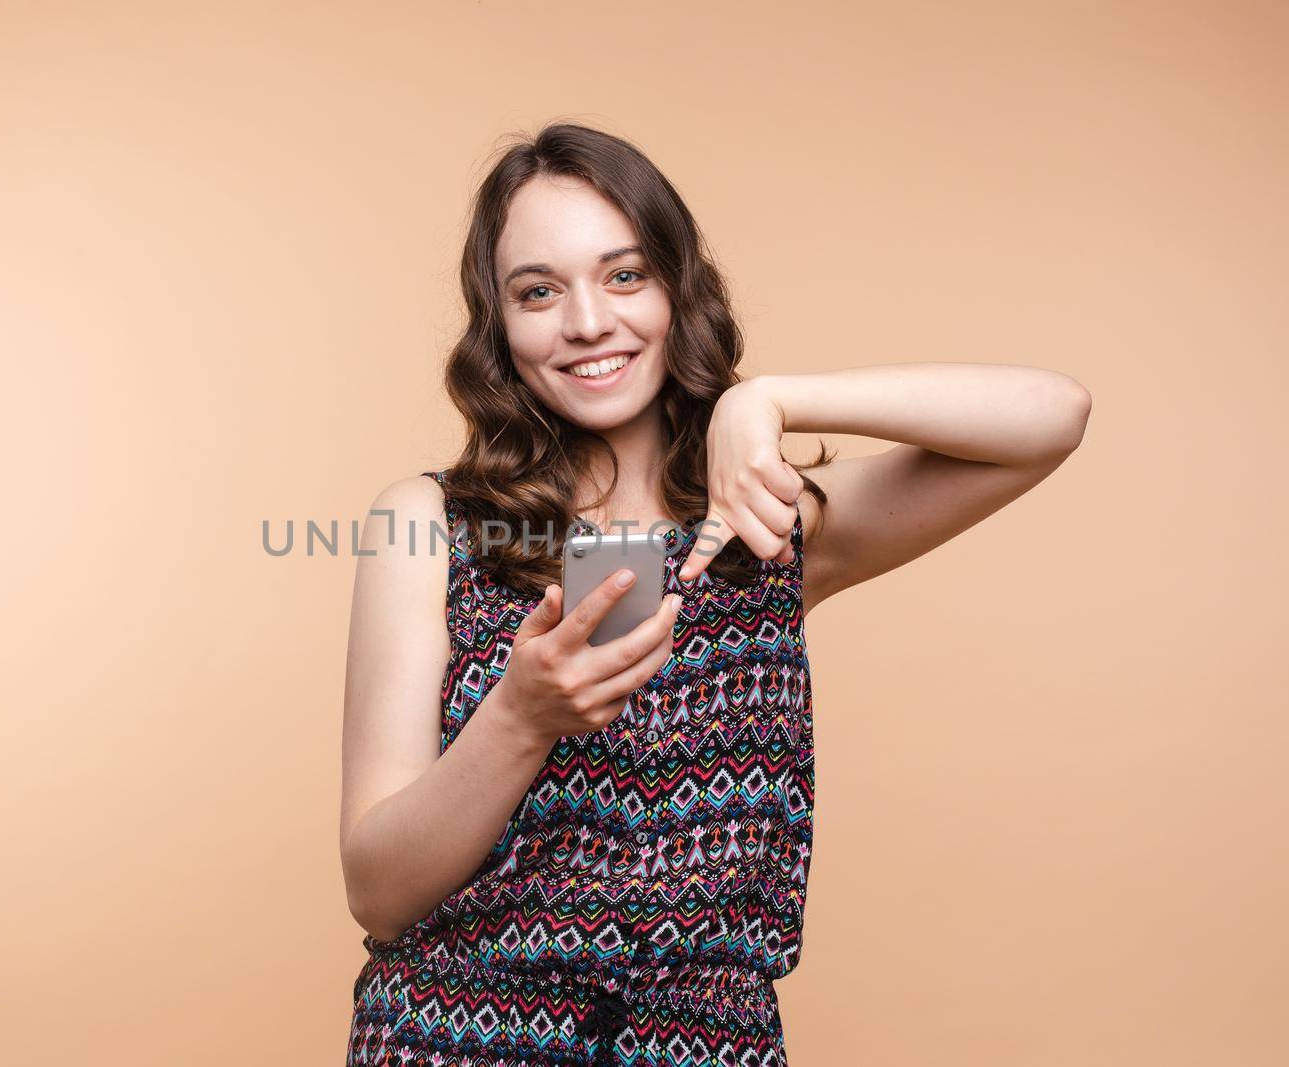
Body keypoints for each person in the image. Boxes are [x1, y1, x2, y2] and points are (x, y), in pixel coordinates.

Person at [339, 122, 1091, 1067]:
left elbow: (1052, 416)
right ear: (499, 324)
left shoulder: (769, 524)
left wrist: (767, 401)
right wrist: (520, 718)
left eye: (624, 275)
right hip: (458, 1037)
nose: (585, 322)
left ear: (675, 290)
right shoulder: (429, 526)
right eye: (539, 291)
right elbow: (376, 888)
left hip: (705, 1043)